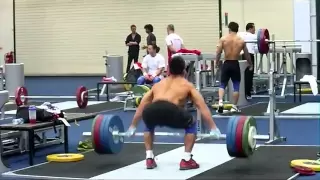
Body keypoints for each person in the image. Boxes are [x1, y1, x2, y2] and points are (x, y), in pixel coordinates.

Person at [126, 56, 221, 170]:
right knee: (192, 122)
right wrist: (213, 127)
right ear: (184, 70)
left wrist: (132, 127)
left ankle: (149, 158)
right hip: (171, 110)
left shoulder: (158, 85)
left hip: (152, 110)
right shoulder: (187, 85)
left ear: (169, 70)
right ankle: (186, 159)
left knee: (149, 122)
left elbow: (141, 107)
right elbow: (202, 107)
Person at [215, 22, 253, 113]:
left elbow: (218, 52)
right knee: (236, 86)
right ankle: (234, 106)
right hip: (235, 64)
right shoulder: (241, 40)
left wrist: (216, 63)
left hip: (226, 63)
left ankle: (220, 102)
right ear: (237, 29)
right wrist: (250, 64)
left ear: (229, 29)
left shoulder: (223, 39)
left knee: (222, 84)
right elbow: (247, 54)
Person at [238, 23, 256, 99]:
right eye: (254, 28)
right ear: (250, 28)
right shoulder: (253, 36)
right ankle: (247, 94)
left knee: (243, 74)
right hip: (249, 56)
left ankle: (243, 93)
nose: (255, 30)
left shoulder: (241, 35)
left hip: (242, 56)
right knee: (249, 75)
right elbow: (263, 41)